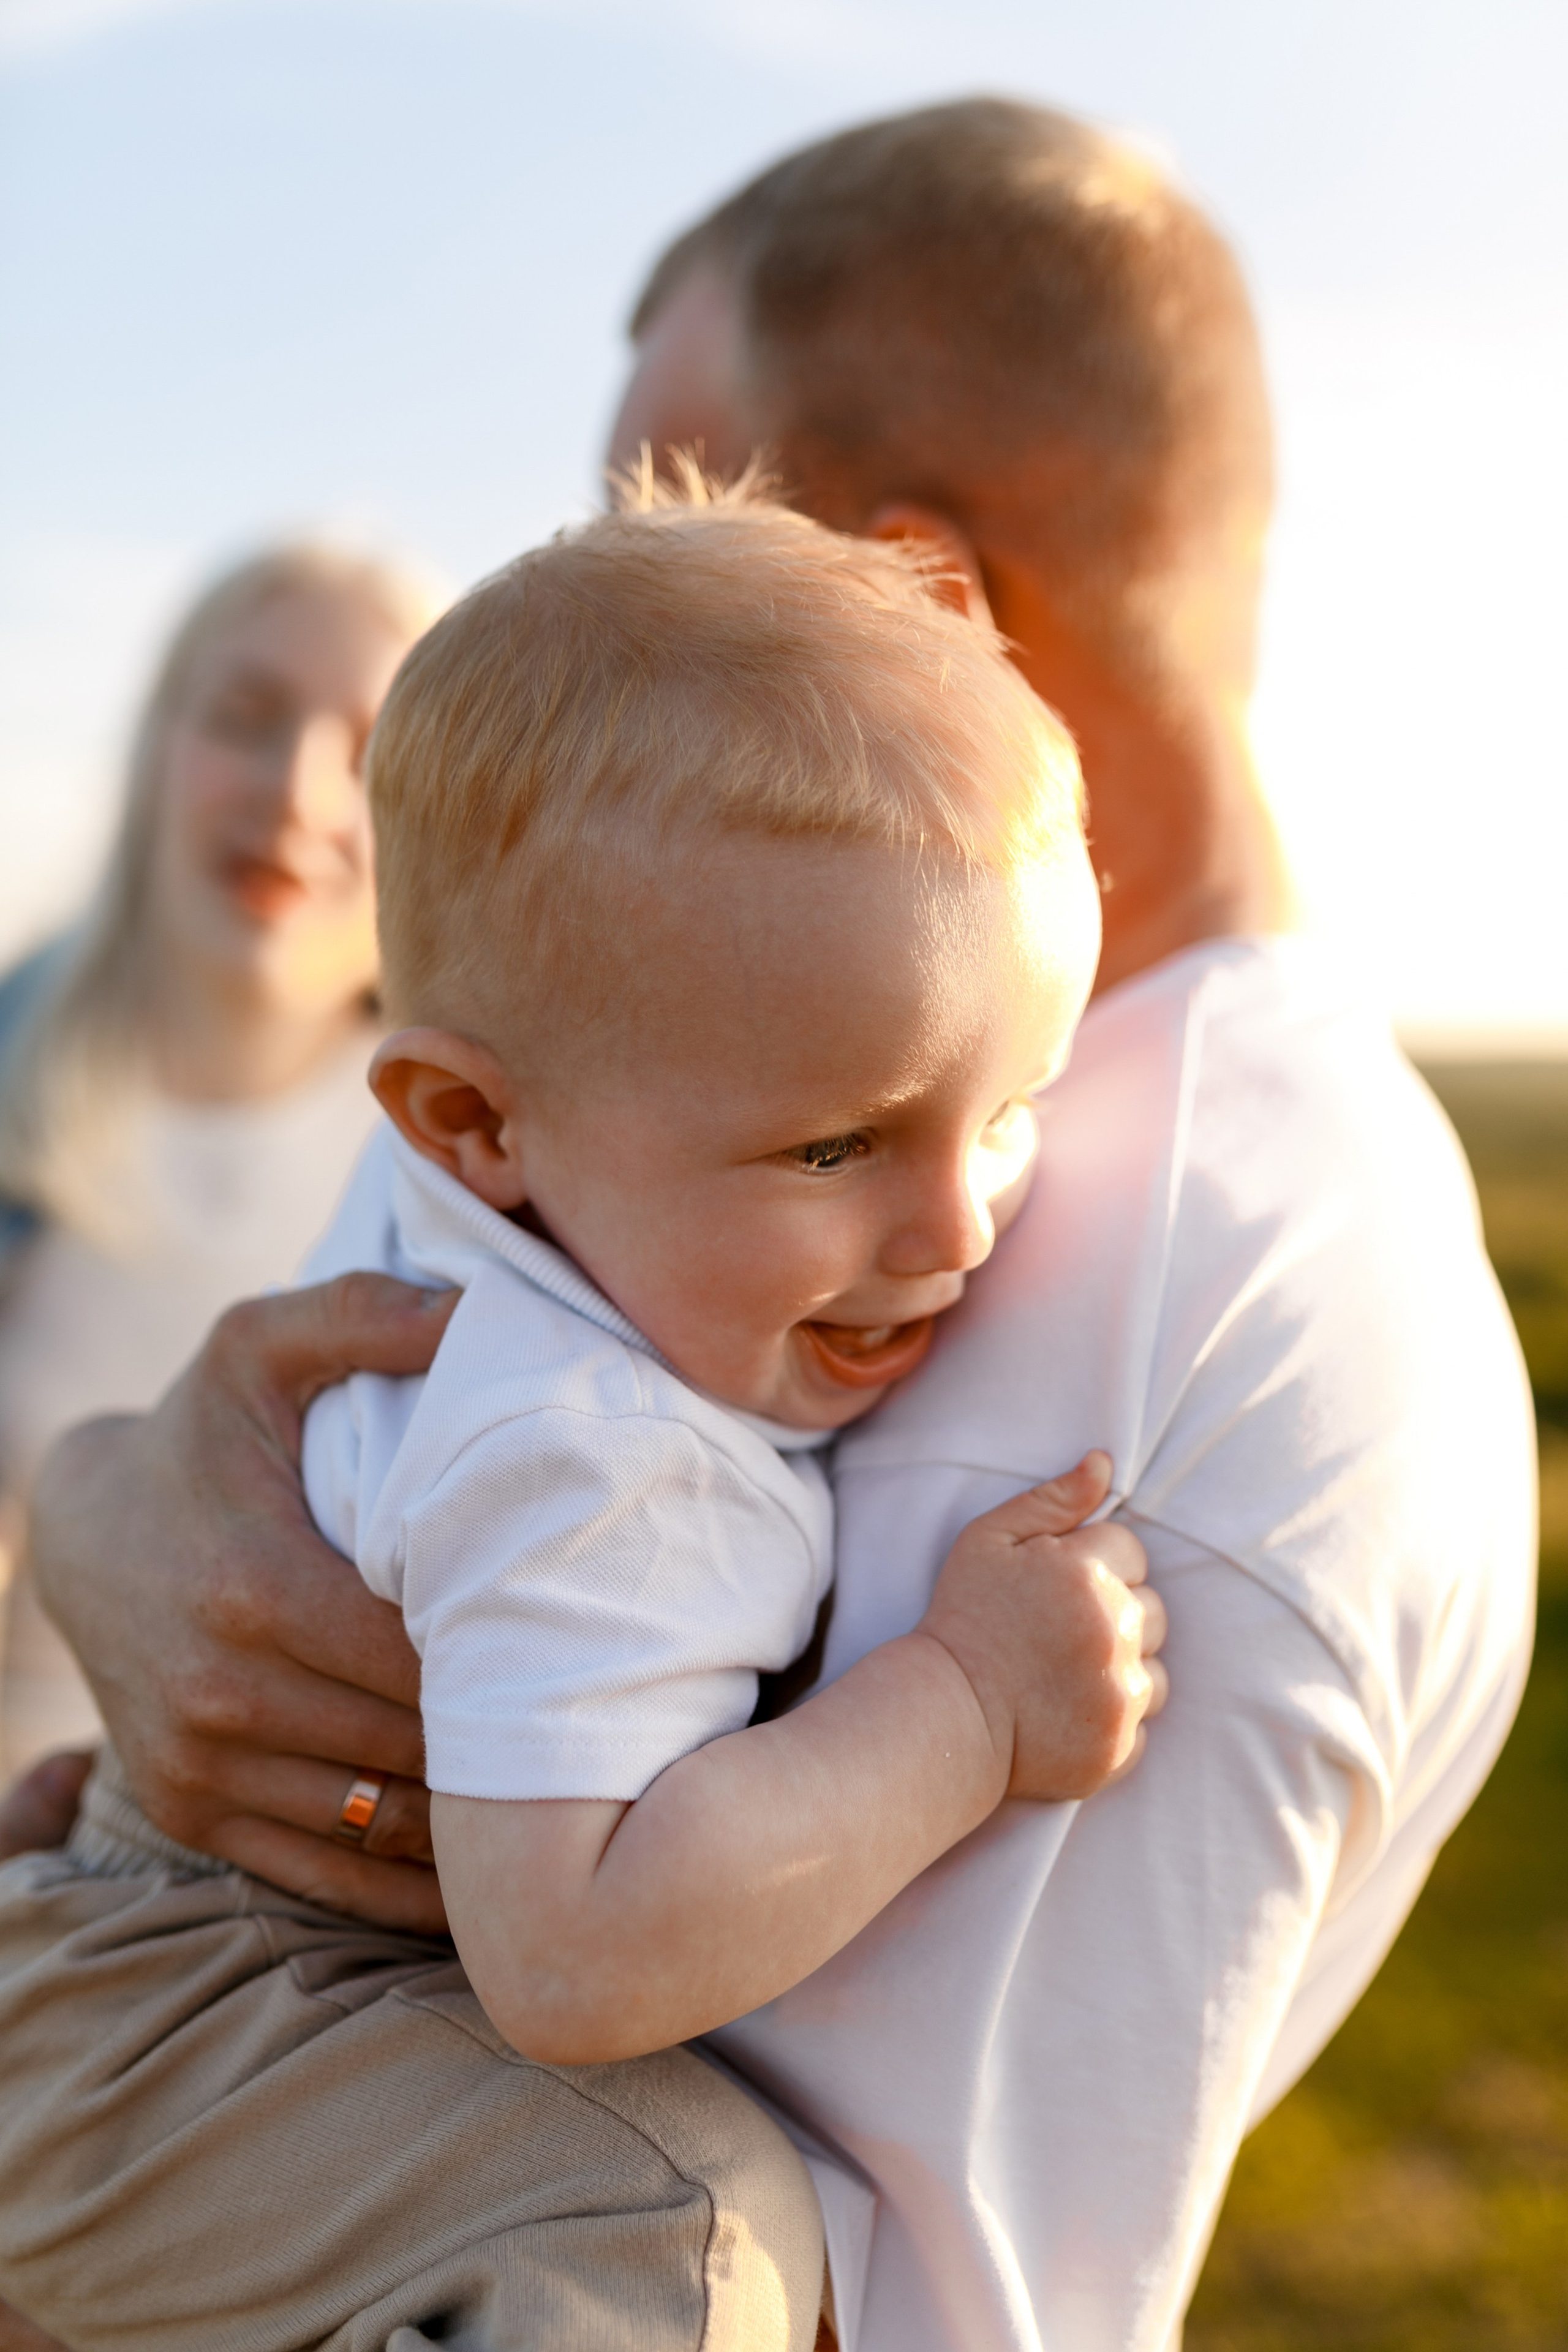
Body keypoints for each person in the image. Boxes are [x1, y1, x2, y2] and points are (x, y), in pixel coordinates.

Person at [4, 97, 1537, 2352]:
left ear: (919, 603)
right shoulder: (710, 1150)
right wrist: (115, 1524)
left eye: (675, 508)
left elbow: (874, 2295)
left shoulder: (1154, 1304)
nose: (946, 1214)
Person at [0, 485, 1163, 2350]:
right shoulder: (576, 1440)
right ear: (472, 1125)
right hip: (194, 2010)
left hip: (177, 1975)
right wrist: (965, 1706)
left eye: (1013, 1100)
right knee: (669, 2233)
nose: (958, 1224)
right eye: (839, 1139)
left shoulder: (544, 1160)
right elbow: (573, 1953)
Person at [0, 545, 442, 1782]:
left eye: (365, 756)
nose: (296, 791)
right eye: (244, 718)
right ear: (154, 750)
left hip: (294, 1927)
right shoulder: (17, 1078)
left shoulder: (464, 1175)